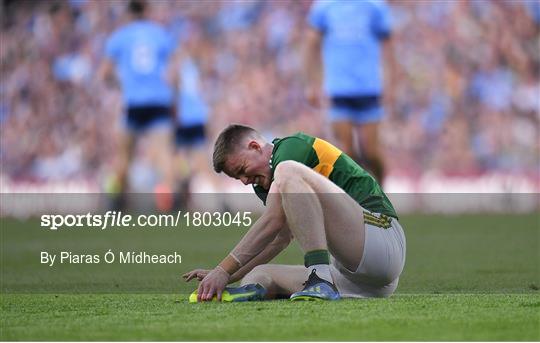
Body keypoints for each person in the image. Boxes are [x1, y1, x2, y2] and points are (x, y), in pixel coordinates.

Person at [184, 124, 406, 301]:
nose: (244, 181)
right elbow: (279, 238)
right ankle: (309, 281)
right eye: (237, 178)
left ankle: (320, 278)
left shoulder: (290, 149)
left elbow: (272, 220)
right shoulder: (265, 183)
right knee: (260, 275)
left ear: (255, 146)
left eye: (242, 170)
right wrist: (228, 276)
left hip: (383, 237)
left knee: (287, 170)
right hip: (356, 278)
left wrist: (223, 269)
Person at [303, 0, 395, 184]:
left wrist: (391, 83)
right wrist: (312, 83)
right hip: (339, 89)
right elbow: (311, 44)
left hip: (369, 88)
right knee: (345, 151)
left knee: (371, 151)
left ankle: (382, 191)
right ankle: (355, 202)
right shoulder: (324, 7)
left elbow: (388, 46)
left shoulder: (375, 6)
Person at [98, 0, 176, 210]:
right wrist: (173, 99)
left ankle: (115, 201)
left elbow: (104, 74)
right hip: (159, 101)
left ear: (128, 14)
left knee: (124, 156)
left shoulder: (120, 37)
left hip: (133, 103)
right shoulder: (160, 34)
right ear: (146, 12)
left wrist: (122, 85)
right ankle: (167, 202)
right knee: (163, 155)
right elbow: (174, 72)